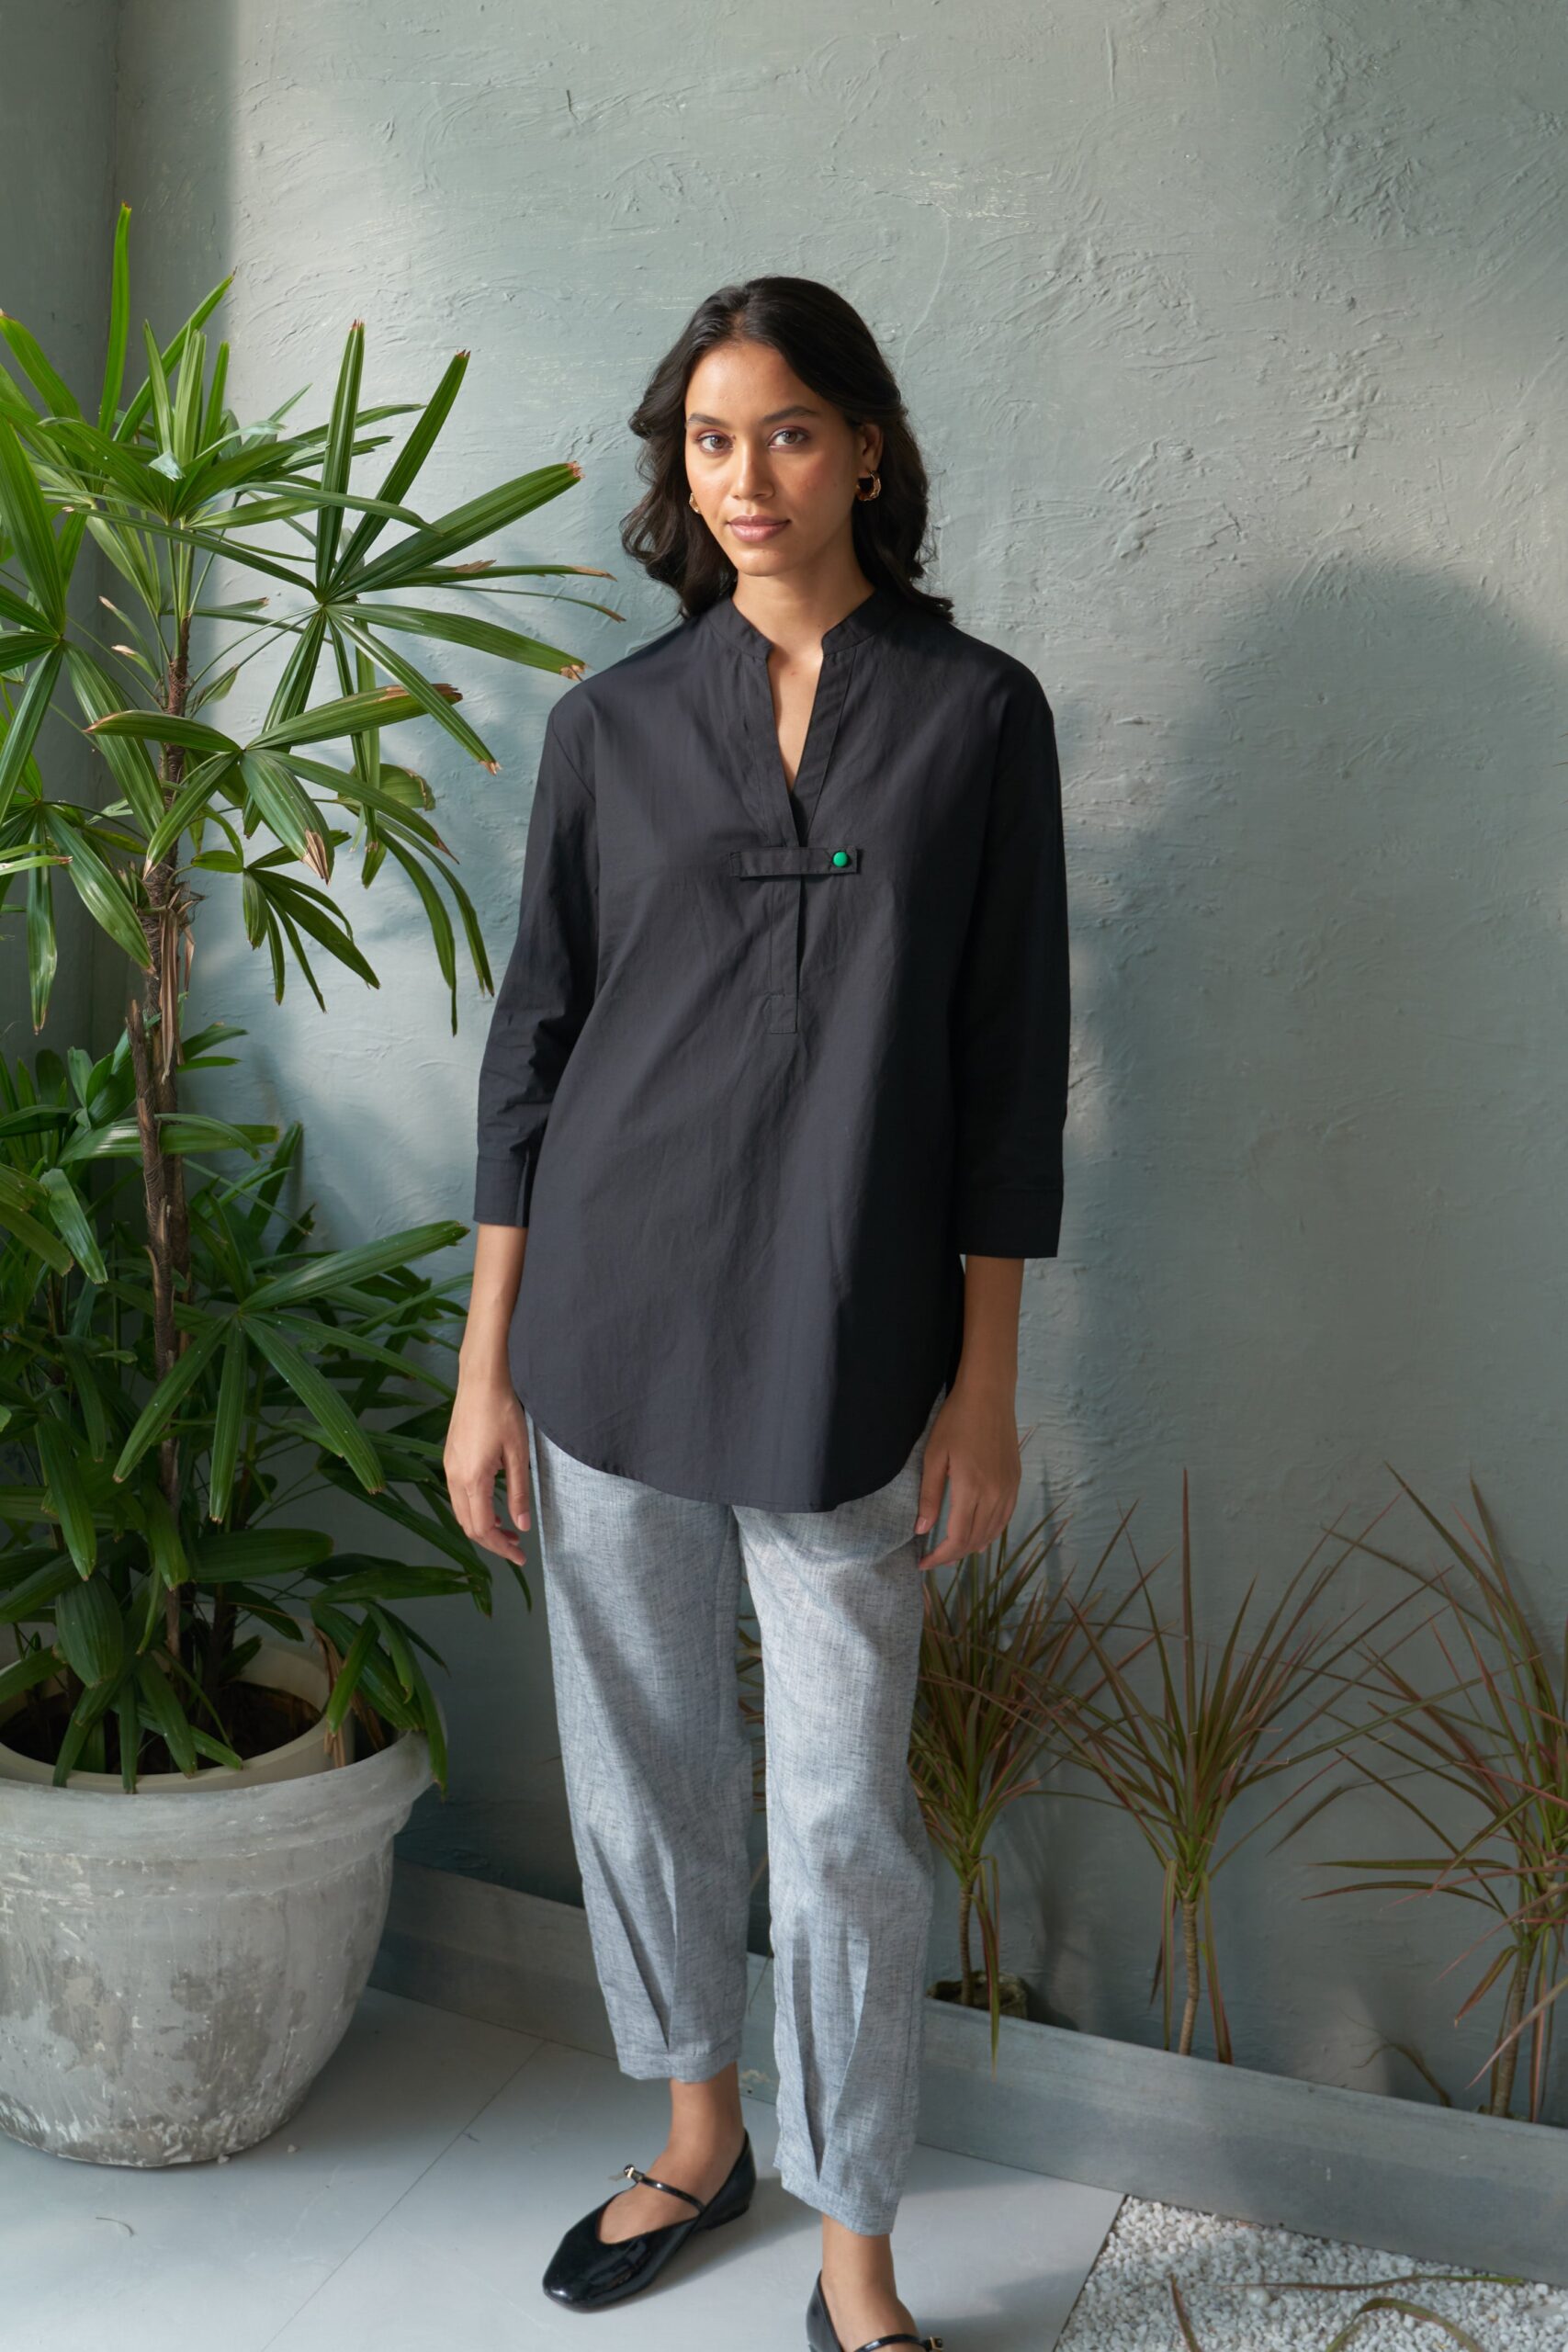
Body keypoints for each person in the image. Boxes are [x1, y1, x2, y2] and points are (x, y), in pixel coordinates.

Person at [444, 274, 1069, 2352]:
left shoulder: (976, 717)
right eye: (708, 440)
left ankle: (854, 2249)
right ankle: (695, 2130)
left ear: (866, 447)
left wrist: (984, 1381)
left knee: (840, 1823)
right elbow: (533, 1058)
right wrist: (484, 1371)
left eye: (786, 431)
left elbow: (1003, 1069)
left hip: (847, 1342)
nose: (745, 479)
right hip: (604, 1325)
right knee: (642, 1774)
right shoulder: (611, 728)